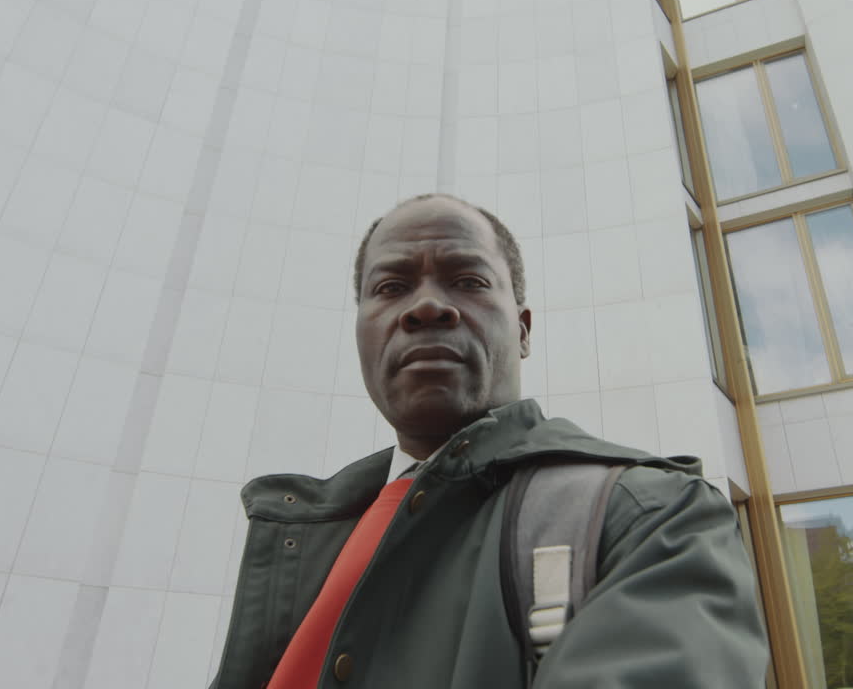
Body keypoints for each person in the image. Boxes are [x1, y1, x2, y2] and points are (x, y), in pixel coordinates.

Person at [208, 193, 769, 688]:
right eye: (391, 287)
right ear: (361, 329)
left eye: (468, 281)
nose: (426, 306)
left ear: (523, 330)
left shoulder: (653, 517)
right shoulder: (300, 534)